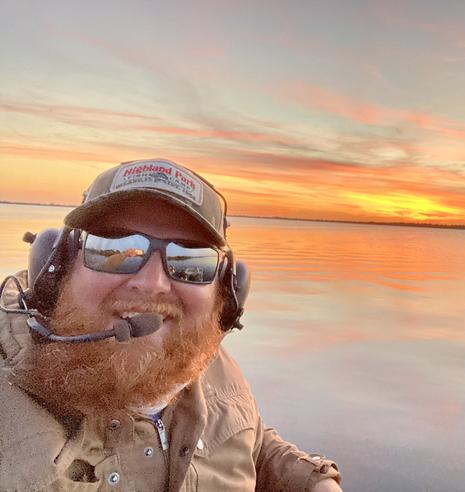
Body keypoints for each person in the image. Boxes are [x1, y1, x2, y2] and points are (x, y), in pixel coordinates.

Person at [0, 158, 342, 491]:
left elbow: (246, 437)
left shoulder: (204, 355)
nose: (153, 283)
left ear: (226, 294)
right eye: (115, 247)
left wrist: (314, 482)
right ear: (56, 266)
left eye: (189, 259)